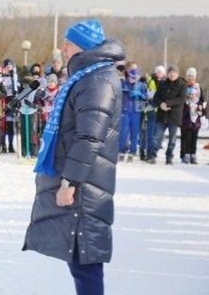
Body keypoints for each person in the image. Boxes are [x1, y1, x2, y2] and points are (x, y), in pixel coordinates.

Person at [24, 20, 125, 295]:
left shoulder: (98, 80)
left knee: (85, 258)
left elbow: (89, 137)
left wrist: (70, 182)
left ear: (82, 46)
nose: (63, 48)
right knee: (78, 257)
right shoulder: (89, 76)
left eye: (67, 43)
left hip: (86, 184)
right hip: (84, 179)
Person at [147, 65, 187, 165]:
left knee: (172, 139)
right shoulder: (163, 84)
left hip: (174, 116)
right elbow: (156, 98)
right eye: (170, 72)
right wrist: (161, 104)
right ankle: (152, 156)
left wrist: (168, 103)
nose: (172, 74)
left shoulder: (182, 85)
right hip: (162, 115)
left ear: (177, 74)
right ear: (167, 74)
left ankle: (169, 157)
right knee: (157, 137)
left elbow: (181, 99)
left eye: (174, 72)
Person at [118, 68, 147, 162]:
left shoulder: (140, 85)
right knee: (123, 132)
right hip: (125, 111)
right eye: (132, 77)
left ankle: (133, 151)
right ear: (129, 76)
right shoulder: (123, 83)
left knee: (135, 133)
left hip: (136, 111)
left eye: (135, 77)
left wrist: (140, 94)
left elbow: (146, 97)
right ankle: (121, 151)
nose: (133, 79)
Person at [180, 67, 205, 164]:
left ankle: (193, 154)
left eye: (192, 76)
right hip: (186, 115)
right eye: (189, 76)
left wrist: (200, 108)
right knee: (186, 137)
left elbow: (203, 101)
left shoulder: (199, 88)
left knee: (194, 137)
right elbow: (180, 100)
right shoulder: (183, 87)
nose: (190, 78)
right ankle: (185, 154)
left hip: (196, 116)